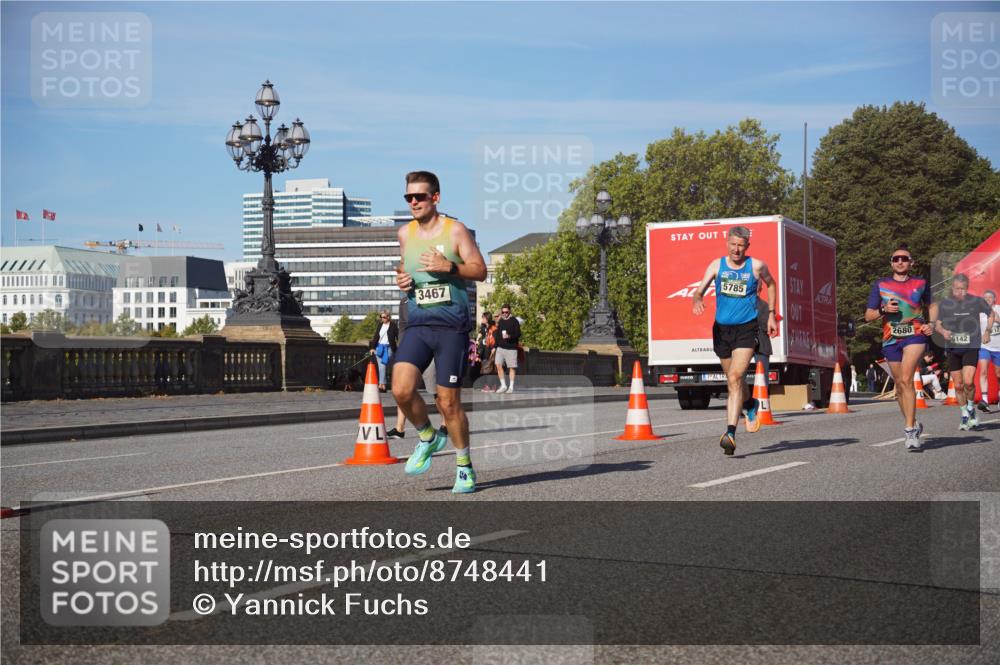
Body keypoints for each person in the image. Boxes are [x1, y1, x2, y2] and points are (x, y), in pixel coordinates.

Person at [392, 171, 487, 493]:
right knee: (401, 390)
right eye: (409, 197)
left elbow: (481, 270)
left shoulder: (455, 230)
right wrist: (401, 280)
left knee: (448, 403)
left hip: (451, 328)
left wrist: (451, 267)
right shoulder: (405, 234)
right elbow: (405, 268)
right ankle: (428, 437)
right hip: (418, 323)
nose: (414, 202)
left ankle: (464, 466)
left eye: (420, 196)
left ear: (436, 197)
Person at [692, 226, 778, 456]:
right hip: (721, 331)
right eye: (733, 244)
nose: (736, 249)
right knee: (734, 381)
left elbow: (771, 284)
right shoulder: (717, 265)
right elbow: (699, 290)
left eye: (741, 245)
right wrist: (697, 298)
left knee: (734, 377)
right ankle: (750, 405)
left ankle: (730, 433)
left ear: (747, 246)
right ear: (727, 243)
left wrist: (770, 314)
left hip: (746, 329)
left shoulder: (756, 266)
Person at [864, 243, 932, 451]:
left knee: (906, 379)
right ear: (891, 263)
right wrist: (884, 309)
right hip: (890, 339)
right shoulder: (881, 285)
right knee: (900, 387)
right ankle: (913, 422)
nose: (900, 261)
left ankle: (909, 430)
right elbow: (868, 316)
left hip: (916, 335)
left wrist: (932, 324)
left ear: (911, 263)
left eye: (904, 258)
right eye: (896, 259)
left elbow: (933, 306)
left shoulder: (921, 283)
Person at [930, 273, 994, 431]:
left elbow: (991, 314)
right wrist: (943, 331)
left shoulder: (976, 301)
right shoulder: (946, 304)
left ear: (967, 288)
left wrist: (987, 331)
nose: (960, 292)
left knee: (969, 382)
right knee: (958, 386)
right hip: (953, 347)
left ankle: (971, 408)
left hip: (971, 346)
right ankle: (965, 414)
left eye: (963, 289)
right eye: (957, 289)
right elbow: (937, 324)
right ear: (952, 288)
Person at [977, 289, 1000, 413]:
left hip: (998, 348)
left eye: (990, 297)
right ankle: (984, 400)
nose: (987, 299)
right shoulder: (979, 312)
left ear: (994, 299)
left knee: (998, 374)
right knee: (983, 371)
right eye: (985, 297)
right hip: (984, 346)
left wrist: (998, 319)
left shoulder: (999, 309)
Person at [494, 304, 521, 394]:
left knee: (512, 368)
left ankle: (511, 387)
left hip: (511, 348)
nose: (505, 314)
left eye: (506, 312)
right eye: (503, 312)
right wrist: (495, 346)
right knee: (498, 365)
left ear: (510, 311)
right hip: (500, 348)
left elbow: (518, 334)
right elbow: (498, 335)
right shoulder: (501, 321)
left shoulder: (514, 321)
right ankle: (503, 385)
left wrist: (509, 336)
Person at [369, 310, 398, 392]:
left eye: (384, 317)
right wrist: (372, 348)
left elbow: (398, 336)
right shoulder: (380, 325)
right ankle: (382, 385)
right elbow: (376, 336)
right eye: (381, 317)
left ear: (388, 317)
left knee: (383, 364)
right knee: (381, 367)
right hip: (380, 347)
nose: (382, 319)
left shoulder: (393, 326)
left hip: (389, 348)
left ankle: (382, 384)